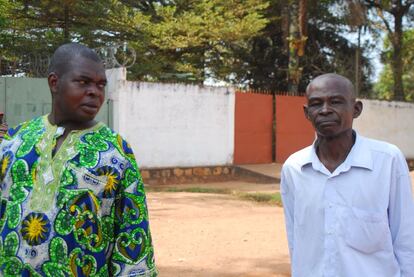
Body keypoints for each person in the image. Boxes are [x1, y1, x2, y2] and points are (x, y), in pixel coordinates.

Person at [0, 43, 157, 276]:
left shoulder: (115, 152)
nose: (94, 91)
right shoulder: (14, 142)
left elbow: (133, 234)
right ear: (54, 83)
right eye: (83, 82)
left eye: (100, 84)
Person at [281, 73, 414, 277]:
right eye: (316, 104)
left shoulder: (387, 161)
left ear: (356, 109)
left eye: (335, 101)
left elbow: (405, 238)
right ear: (307, 113)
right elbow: (296, 240)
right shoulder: (294, 168)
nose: (325, 110)